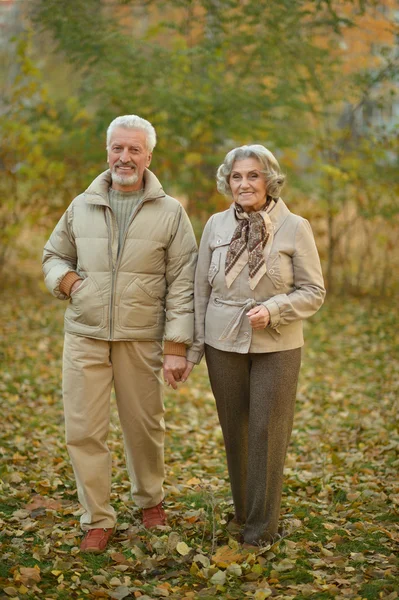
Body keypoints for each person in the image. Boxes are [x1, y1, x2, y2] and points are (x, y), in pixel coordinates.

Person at [43, 115, 197, 553]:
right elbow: (54, 254)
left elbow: (183, 282)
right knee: (83, 429)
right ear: (107, 150)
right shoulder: (82, 204)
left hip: (141, 336)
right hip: (85, 334)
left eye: (133, 150)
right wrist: (69, 283)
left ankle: (150, 500)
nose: (124, 157)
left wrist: (175, 347)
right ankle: (97, 517)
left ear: (148, 156)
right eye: (117, 148)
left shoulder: (170, 212)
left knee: (144, 426)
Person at [184, 144, 325, 547]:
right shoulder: (214, 224)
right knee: (236, 431)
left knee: (267, 431)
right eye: (236, 176)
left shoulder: (295, 226)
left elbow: (314, 290)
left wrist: (276, 308)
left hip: (277, 343)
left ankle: (261, 530)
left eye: (253, 175)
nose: (244, 184)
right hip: (221, 340)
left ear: (270, 180)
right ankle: (244, 511)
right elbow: (199, 290)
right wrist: (194, 349)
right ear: (227, 182)